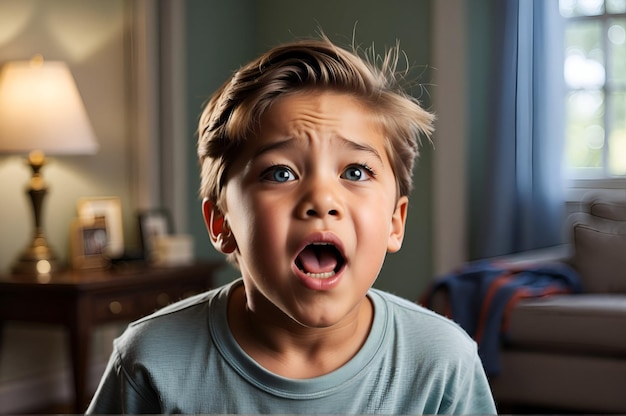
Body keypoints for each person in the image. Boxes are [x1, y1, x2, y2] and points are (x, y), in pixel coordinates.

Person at [86, 35, 497, 414]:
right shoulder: (150, 360)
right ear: (221, 223)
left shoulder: (443, 362)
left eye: (355, 172)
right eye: (280, 173)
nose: (321, 200)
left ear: (395, 221)